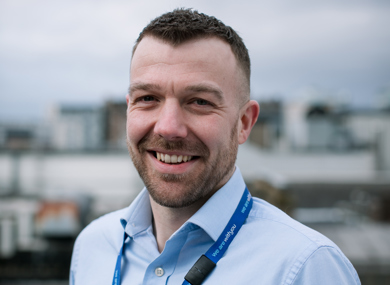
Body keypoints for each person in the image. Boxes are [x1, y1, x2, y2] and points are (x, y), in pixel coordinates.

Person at [70, 8, 361, 285]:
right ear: (128, 108)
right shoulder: (93, 246)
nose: (168, 127)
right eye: (147, 98)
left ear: (244, 122)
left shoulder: (305, 268)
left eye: (200, 101)